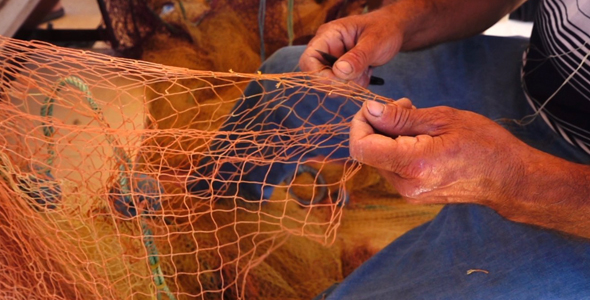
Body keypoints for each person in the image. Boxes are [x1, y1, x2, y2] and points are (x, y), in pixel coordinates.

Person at [189, 0, 589, 297]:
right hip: (535, 78)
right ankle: (208, 209)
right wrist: (398, 21)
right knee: (287, 81)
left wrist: (513, 179)